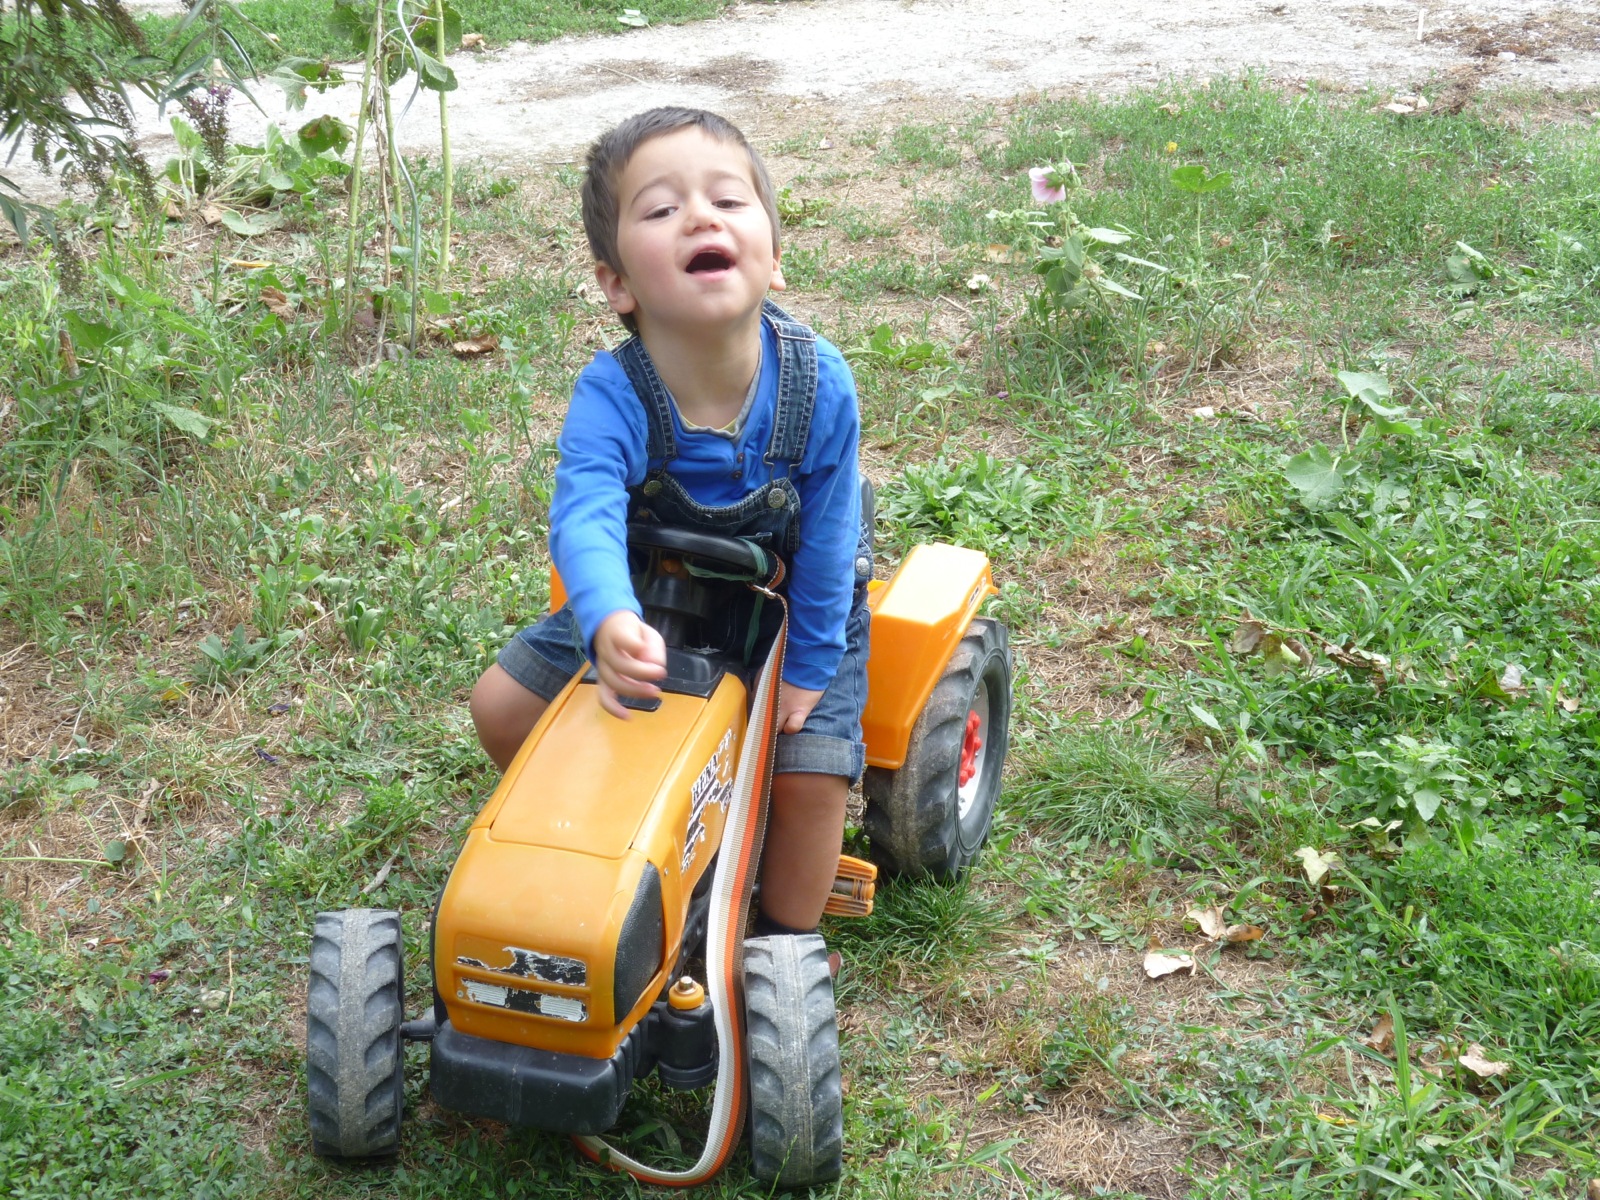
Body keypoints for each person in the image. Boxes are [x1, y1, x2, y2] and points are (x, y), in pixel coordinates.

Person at [469, 107, 870, 942]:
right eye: (661, 209)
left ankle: (779, 942)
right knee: (503, 705)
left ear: (775, 257)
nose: (701, 216)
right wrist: (609, 617)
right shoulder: (613, 392)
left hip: (787, 610)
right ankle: (610, 840)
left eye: (730, 200)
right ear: (617, 282)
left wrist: (809, 666)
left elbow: (832, 540)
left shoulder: (820, 384)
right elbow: (584, 513)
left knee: (809, 782)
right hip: (648, 594)